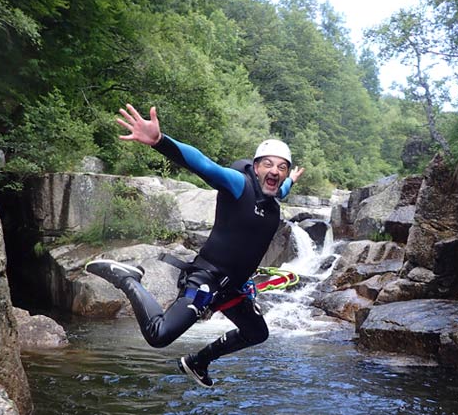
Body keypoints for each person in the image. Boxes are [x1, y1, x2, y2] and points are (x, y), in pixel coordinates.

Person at [84, 104, 304, 388]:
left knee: (256, 332)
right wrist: (160, 141)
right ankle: (128, 279)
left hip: (231, 289)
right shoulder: (239, 184)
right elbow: (203, 164)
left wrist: (292, 181)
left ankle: (198, 362)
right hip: (206, 280)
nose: (275, 171)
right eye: (268, 165)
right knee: (159, 335)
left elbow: (282, 188)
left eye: (282, 167)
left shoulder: (275, 193)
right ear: (256, 167)